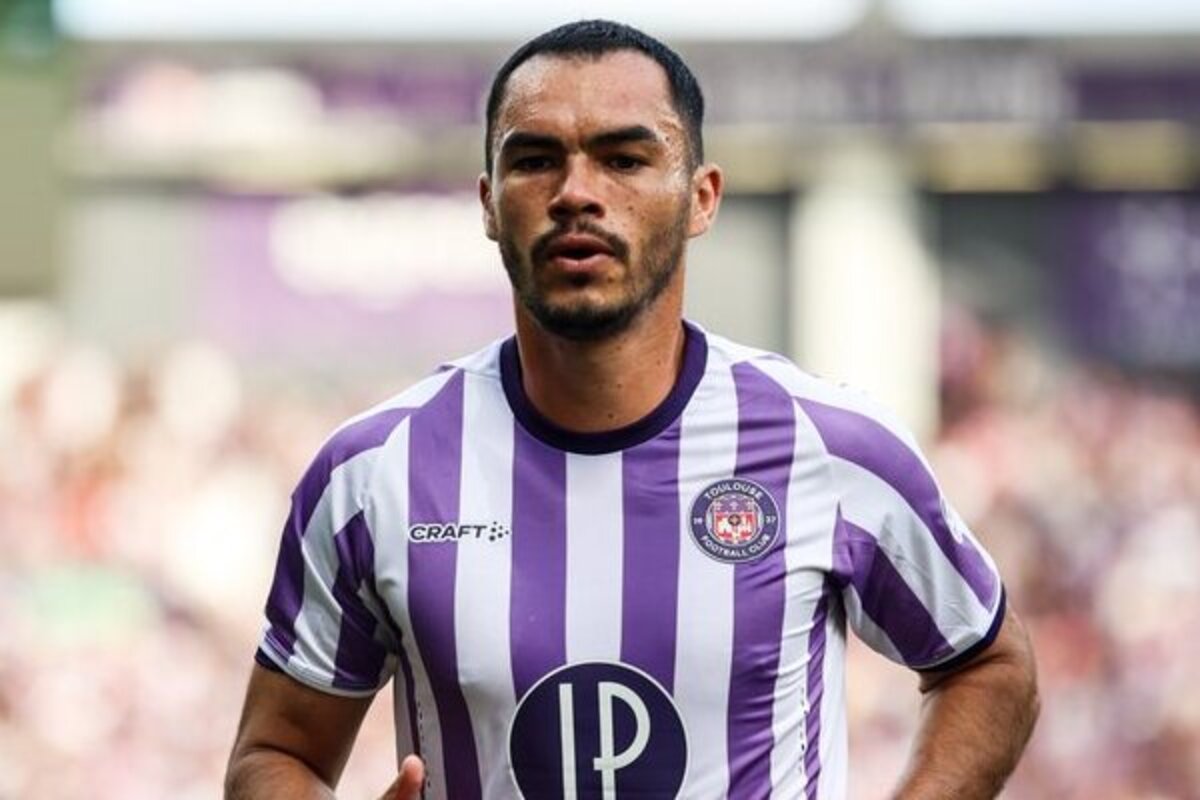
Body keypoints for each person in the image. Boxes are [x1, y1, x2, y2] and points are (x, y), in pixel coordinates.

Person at [224, 19, 1039, 800]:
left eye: (623, 159)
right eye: (536, 159)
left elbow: (989, 666)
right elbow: (277, 749)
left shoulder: (829, 447)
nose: (576, 192)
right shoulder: (374, 474)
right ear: (487, 201)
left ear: (701, 198)